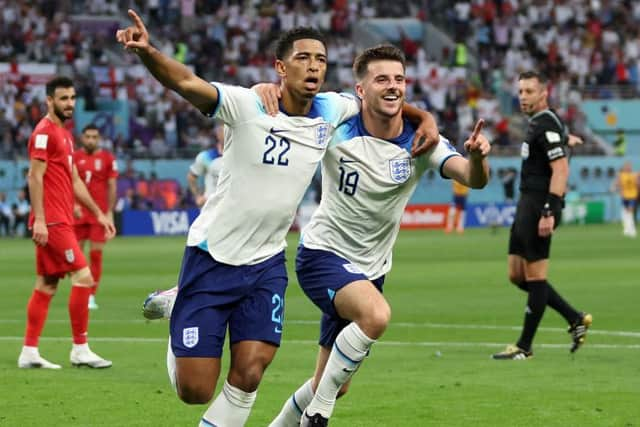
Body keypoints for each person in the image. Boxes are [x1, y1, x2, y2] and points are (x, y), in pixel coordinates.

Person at [116, 10, 438, 427]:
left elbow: (383, 99)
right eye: (303, 58)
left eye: (321, 59)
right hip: (213, 256)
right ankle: (182, 305)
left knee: (250, 373)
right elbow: (185, 82)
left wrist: (425, 118)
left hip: (266, 264)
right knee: (195, 391)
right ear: (282, 68)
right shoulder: (248, 104)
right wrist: (148, 52)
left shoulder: (333, 108)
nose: (314, 66)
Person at [265, 45, 490, 426]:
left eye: (399, 79)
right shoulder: (336, 122)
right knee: (377, 316)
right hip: (322, 255)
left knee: (333, 381)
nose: (393, 87)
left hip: (371, 270)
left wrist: (479, 157)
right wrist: (262, 90)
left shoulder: (422, 141)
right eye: (382, 79)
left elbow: (472, 178)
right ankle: (318, 414)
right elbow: (294, 96)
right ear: (359, 90)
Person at [492, 71, 592, 361]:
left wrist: (549, 209)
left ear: (543, 94)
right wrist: (566, 138)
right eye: (520, 91)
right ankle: (574, 317)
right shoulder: (543, 123)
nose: (523, 96)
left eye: (529, 91)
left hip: (539, 205)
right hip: (527, 203)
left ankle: (524, 346)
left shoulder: (545, 122)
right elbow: (556, 142)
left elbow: (560, 169)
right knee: (516, 274)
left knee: (536, 277)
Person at [18, 76, 116, 370]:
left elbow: (73, 180)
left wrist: (99, 213)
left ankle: (29, 351)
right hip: (53, 222)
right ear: (49, 101)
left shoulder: (65, 135)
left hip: (60, 220)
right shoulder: (44, 134)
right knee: (84, 277)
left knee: (46, 285)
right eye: (63, 99)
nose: (69, 104)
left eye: (72, 98)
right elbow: (34, 177)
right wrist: (41, 221)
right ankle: (80, 348)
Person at [73, 124, 118, 309]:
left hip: (99, 214)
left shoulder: (107, 158)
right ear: (82, 138)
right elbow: (68, 182)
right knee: (76, 256)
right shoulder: (75, 158)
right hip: (78, 213)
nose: (91, 140)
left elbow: (113, 186)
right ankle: (79, 290)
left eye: (94, 137)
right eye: (88, 136)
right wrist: (73, 204)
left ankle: (90, 295)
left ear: (99, 138)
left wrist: (109, 212)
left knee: (95, 256)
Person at [187, 132, 223, 207]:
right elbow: (191, 177)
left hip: (232, 207)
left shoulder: (239, 156)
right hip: (211, 207)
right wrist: (198, 196)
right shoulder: (206, 156)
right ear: (218, 134)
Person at [613, 161, 638, 238]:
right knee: (625, 213)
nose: (628, 168)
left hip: (633, 196)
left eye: (629, 166)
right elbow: (617, 183)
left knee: (630, 212)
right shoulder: (621, 175)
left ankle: (632, 230)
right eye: (626, 167)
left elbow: (637, 183)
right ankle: (627, 229)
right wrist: (614, 187)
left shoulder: (635, 175)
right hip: (625, 196)